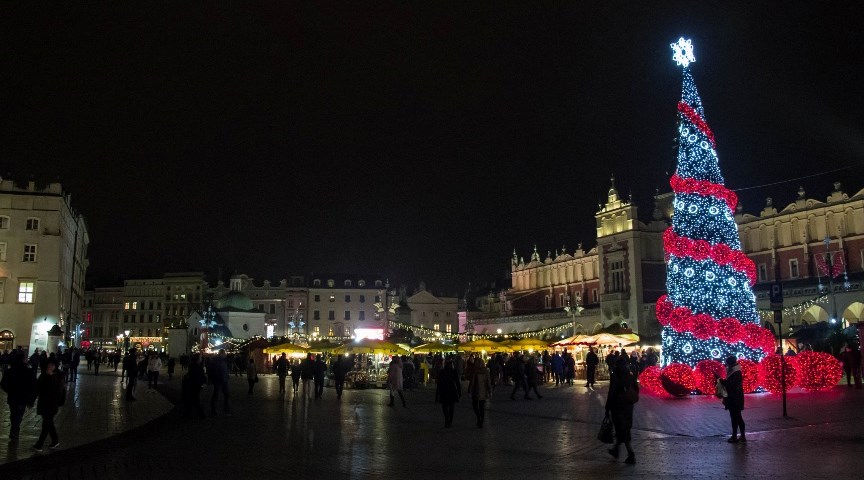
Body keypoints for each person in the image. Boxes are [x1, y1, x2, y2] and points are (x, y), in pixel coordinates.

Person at [605, 357, 638, 464]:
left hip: (617, 405)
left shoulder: (615, 375)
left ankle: (631, 454)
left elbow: (612, 391)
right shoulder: (630, 374)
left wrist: (607, 407)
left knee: (622, 429)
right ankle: (616, 450)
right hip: (628, 405)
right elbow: (636, 389)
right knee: (624, 428)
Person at [1, 353, 35, 443]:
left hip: (12, 397)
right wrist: (30, 398)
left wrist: (10, 390)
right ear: (24, 360)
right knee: (19, 415)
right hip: (22, 398)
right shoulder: (29, 371)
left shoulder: (10, 371)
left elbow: (3, 384)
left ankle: (14, 431)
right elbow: (33, 386)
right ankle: (15, 431)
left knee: (13, 414)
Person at [32, 360, 64, 451]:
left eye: (51, 365)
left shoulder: (58, 376)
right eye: (48, 365)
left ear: (55, 367)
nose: (49, 367)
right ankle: (55, 441)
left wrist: (51, 377)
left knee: (46, 423)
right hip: (43, 403)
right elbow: (37, 388)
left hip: (52, 404)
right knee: (48, 423)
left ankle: (39, 444)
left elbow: (58, 391)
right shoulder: (43, 375)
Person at [718, 355, 746, 443]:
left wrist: (721, 381)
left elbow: (731, 385)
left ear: (730, 364)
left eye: (727, 364)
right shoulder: (736, 371)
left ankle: (735, 436)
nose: (727, 366)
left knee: (735, 417)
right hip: (736, 397)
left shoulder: (735, 372)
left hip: (734, 398)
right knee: (737, 417)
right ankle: (741, 436)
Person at [435, 359, 461, 428]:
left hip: (444, 391)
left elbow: (439, 384)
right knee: (451, 407)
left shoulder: (442, 371)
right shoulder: (453, 371)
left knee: (445, 407)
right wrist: (459, 392)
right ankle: (449, 421)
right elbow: (457, 382)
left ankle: (447, 419)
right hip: (452, 391)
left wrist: (437, 394)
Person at [469, 355, 492, 428]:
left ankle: (479, 418)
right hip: (483, 392)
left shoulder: (475, 371)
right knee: (482, 407)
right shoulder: (486, 371)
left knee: (475, 406)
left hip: (476, 391)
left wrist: (469, 391)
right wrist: (490, 391)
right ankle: (481, 421)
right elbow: (488, 382)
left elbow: (472, 382)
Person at [182, 353, 207, 419]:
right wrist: (202, 383)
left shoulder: (195, 365)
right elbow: (197, 376)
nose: (201, 359)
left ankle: (188, 413)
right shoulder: (196, 366)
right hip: (196, 385)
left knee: (193, 399)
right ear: (198, 359)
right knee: (195, 399)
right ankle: (200, 414)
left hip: (195, 385)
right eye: (200, 357)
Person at [209, 349, 231, 416]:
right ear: (222, 353)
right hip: (221, 380)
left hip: (220, 380)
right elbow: (220, 370)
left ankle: (215, 410)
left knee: (216, 395)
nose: (225, 354)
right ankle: (223, 410)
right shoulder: (220, 360)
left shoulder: (217, 360)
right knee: (221, 395)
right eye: (225, 353)